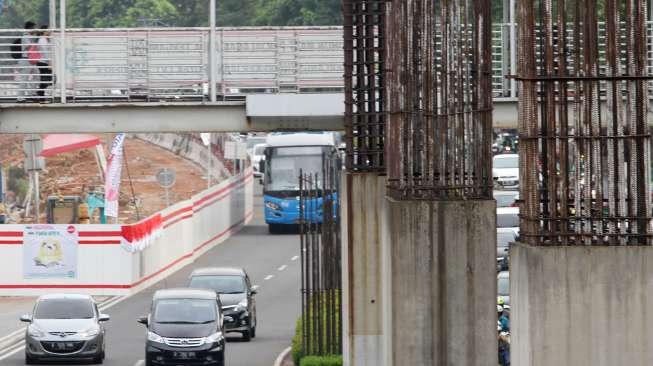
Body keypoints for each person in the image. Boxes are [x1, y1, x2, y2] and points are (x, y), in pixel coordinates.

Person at [13, 21, 36, 101]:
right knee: (24, 78)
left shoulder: (29, 36)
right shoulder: (25, 36)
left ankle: (31, 94)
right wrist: (34, 43)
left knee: (37, 75)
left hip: (30, 60)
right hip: (26, 59)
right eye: (33, 28)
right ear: (30, 28)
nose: (35, 30)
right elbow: (29, 47)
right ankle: (20, 97)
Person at [34, 25, 53, 99]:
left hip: (42, 61)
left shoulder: (43, 39)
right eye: (48, 30)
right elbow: (45, 52)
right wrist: (49, 62)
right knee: (47, 78)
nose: (50, 31)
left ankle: (41, 93)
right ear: (44, 31)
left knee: (45, 78)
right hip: (43, 61)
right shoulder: (42, 40)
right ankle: (40, 93)